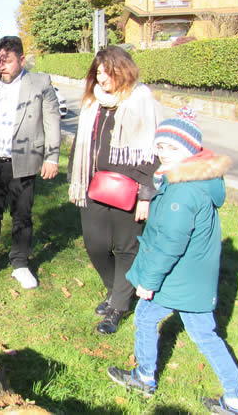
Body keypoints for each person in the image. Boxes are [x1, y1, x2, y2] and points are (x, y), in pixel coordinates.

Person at [107, 109, 238, 415]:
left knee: (148, 317)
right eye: (160, 145)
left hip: (179, 278)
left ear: (191, 149)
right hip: (192, 278)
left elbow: (168, 245)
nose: (163, 152)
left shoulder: (182, 193)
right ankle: (236, 400)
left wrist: (148, 281)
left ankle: (145, 378)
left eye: (172, 147)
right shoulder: (194, 179)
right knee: (203, 334)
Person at [68, 46, 160, 334]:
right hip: (94, 187)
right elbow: (80, 146)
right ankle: (116, 289)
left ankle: (118, 306)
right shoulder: (92, 103)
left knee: (126, 249)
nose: (103, 79)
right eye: (98, 73)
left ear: (124, 71)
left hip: (129, 191)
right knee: (95, 246)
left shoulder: (142, 100)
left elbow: (155, 152)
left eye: (109, 72)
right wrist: (75, 178)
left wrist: (146, 193)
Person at [0, 36, 60, 290]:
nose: (1, 65)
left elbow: (52, 121)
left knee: (22, 215)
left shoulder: (40, 83)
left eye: (7, 60)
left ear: (22, 60)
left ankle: (20, 264)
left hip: (23, 161)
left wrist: (51, 156)